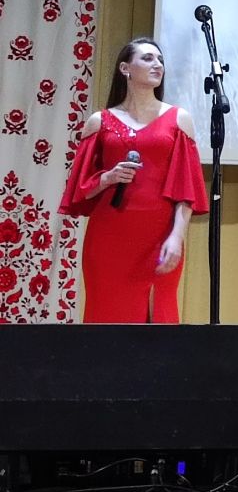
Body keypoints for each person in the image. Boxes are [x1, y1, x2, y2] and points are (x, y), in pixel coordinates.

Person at [59, 37, 208, 323]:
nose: (157, 65)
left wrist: (177, 237)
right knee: (106, 319)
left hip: (158, 236)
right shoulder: (100, 121)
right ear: (125, 68)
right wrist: (108, 177)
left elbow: (186, 190)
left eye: (160, 60)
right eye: (148, 58)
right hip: (108, 237)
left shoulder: (179, 119)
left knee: (157, 322)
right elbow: (80, 189)